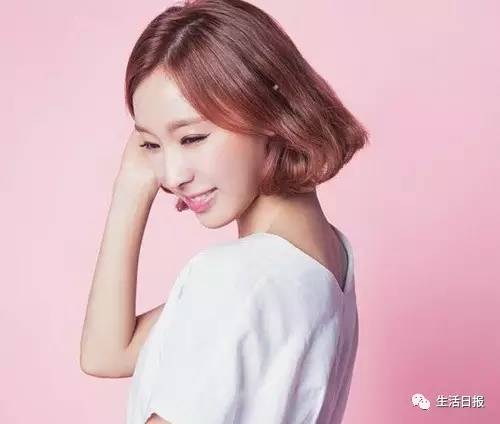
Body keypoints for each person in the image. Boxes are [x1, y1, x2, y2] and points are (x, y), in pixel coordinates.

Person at [80, 0, 369, 423]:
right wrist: (131, 183)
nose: (171, 175)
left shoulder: (234, 278)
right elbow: (107, 354)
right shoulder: (330, 259)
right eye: (151, 145)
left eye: (192, 138)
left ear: (266, 109)